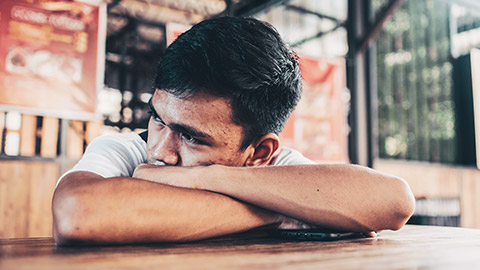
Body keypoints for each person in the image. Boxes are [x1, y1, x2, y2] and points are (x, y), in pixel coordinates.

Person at [52, 16, 415, 245]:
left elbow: (394, 202)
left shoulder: (276, 164)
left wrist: (203, 180)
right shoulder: (123, 149)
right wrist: (279, 211)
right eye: (158, 118)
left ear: (259, 153)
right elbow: (76, 214)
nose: (160, 151)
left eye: (192, 137)